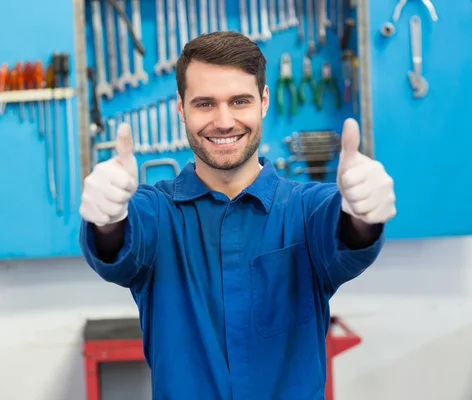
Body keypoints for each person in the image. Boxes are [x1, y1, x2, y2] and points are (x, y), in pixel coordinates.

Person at [79, 31, 396, 399]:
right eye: (205, 104)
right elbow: (119, 242)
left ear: (263, 101)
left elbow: (344, 233)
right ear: (180, 108)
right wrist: (107, 219)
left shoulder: (307, 210)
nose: (225, 121)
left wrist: (361, 213)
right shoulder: (158, 213)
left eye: (239, 101)